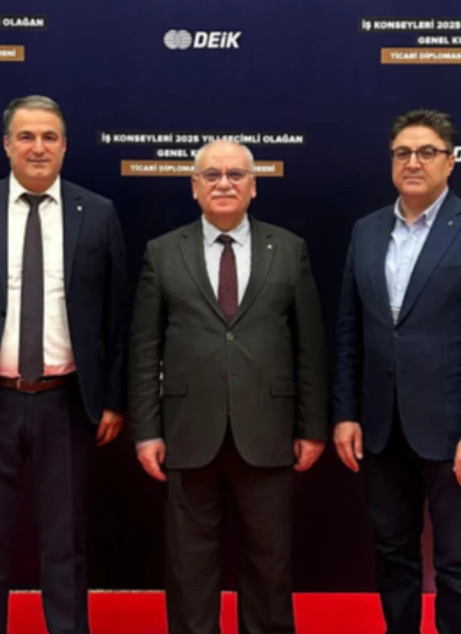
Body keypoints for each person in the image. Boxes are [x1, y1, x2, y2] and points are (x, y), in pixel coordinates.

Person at [0, 95, 128, 634]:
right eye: (26, 137)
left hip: (68, 403)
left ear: (64, 146)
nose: (38, 147)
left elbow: (116, 317)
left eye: (49, 137)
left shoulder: (98, 212)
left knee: (65, 542)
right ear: (6, 145)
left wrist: (113, 398)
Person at [332, 109, 461, 634]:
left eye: (426, 152)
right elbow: (349, 331)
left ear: (450, 162)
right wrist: (345, 413)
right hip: (380, 426)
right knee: (392, 553)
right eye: (402, 153)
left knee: (456, 559)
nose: (412, 162)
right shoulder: (368, 231)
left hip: (453, 430)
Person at [128, 140, 328, 634]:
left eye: (236, 175)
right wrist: (146, 431)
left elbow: (309, 347)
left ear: (253, 186)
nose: (224, 183)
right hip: (188, 433)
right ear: (194, 187)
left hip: (268, 433)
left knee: (269, 568)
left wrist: (312, 427)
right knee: (189, 570)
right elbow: (144, 348)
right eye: (212, 175)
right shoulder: (162, 252)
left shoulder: (289, 249)